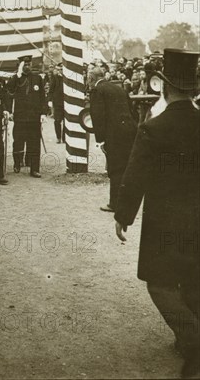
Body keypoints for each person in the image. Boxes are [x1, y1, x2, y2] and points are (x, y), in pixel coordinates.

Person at [115, 49, 199, 379]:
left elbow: (136, 175)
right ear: (192, 89)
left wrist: (123, 214)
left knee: (160, 285)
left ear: (164, 87)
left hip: (164, 219)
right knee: (192, 278)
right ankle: (186, 338)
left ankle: (193, 340)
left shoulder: (154, 128)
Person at [88, 67, 137, 212]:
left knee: (115, 168)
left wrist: (101, 140)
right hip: (129, 130)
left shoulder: (98, 91)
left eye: (88, 79)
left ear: (92, 78)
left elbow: (97, 115)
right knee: (126, 166)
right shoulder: (118, 88)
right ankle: (128, 201)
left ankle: (114, 204)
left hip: (114, 135)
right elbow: (131, 109)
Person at [7, 55, 48, 178]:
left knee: (34, 143)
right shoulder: (16, 78)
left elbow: (42, 97)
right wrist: (9, 112)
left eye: (29, 64)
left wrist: (43, 113)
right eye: (24, 64)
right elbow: (9, 91)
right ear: (20, 66)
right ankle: (17, 163)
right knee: (18, 141)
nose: (27, 66)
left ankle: (34, 168)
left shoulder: (37, 78)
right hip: (20, 117)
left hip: (34, 117)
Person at [48, 63, 65, 144]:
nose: (60, 71)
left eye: (62, 69)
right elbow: (51, 89)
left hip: (66, 103)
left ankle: (65, 138)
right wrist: (50, 100)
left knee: (66, 121)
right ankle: (58, 137)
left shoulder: (68, 78)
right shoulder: (55, 78)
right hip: (57, 103)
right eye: (59, 69)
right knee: (57, 121)